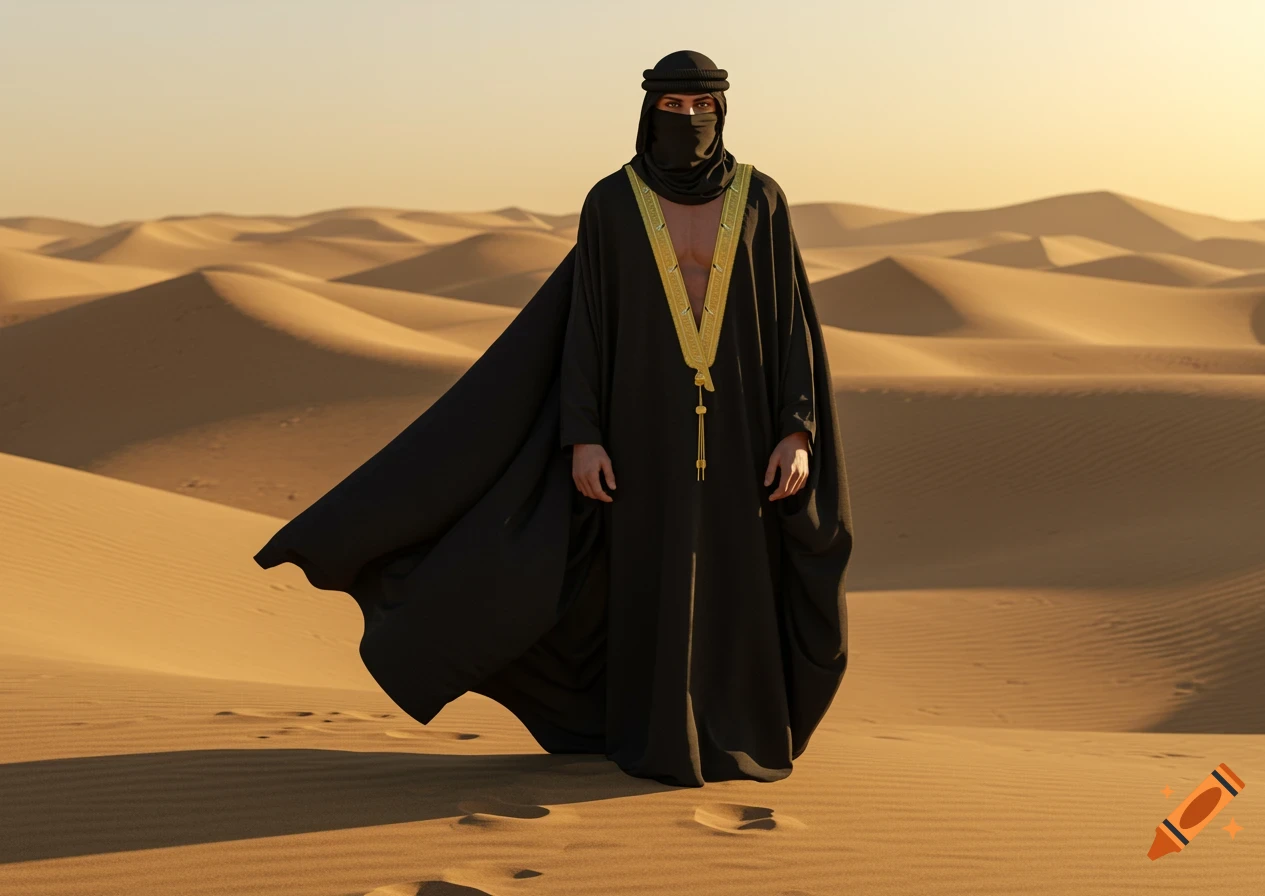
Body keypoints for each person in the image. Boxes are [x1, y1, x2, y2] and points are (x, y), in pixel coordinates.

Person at [253, 50, 853, 788]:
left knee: (739, 575)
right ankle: (656, 736)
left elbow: (790, 321)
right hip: (638, 426)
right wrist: (584, 436)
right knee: (648, 578)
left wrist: (797, 429)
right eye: (674, 107)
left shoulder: (762, 197)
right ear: (650, 112)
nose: (690, 119)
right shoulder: (613, 201)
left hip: (744, 425)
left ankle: (735, 734)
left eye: (703, 107)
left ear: (722, 111)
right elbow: (586, 327)